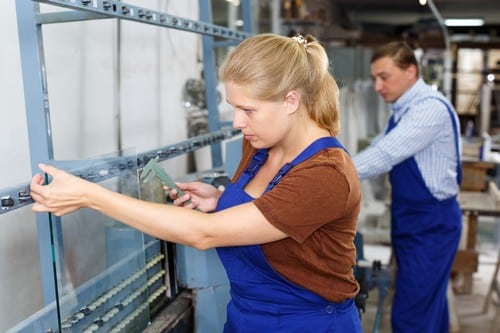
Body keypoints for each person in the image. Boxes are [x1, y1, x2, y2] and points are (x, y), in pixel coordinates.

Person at [30, 33, 363, 333]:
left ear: (291, 101)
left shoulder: (326, 174)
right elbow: (269, 212)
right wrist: (221, 200)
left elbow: (206, 234)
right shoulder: (261, 142)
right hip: (247, 316)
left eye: (248, 109)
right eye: (234, 108)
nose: (237, 122)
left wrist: (91, 195)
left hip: (307, 323)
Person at [352, 41, 462, 333]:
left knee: (411, 315)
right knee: (427, 307)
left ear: (411, 71)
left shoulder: (428, 110)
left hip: (431, 225)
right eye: (375, 77)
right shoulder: (403, 110)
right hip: (411, 220)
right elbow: (378, 146)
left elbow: (386, 154)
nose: (377, 86)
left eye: (383, 77)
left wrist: (331, 176)